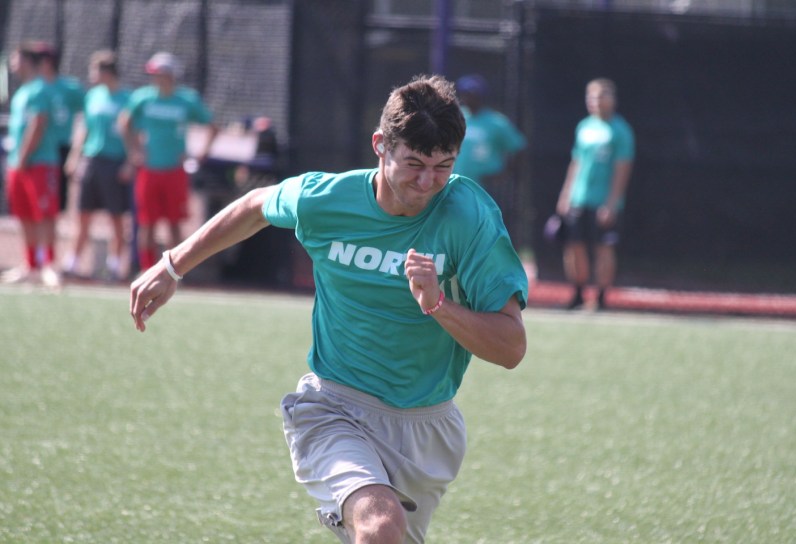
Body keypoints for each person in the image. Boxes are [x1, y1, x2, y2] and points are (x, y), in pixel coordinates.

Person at [129, 75, 528, 543]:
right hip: (335, 406)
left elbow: (511, 347)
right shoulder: (327, 199)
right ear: (380, 145)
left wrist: (438, 304)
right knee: (380, 526)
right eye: (414, 164)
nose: (427, 183)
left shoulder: (469, 216)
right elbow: (256, 205)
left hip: (428, 426)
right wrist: (172, 266)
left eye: (443, 167)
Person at [119, 51, 218, 273]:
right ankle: (147, 270)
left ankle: (174, 272)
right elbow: (125, 123)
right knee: (147, 223)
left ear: (170, 75)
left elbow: (212, 126)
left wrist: (200, 155)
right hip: (149, 170)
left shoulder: (186, 100)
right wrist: (134, 151)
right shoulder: (143, 98)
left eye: (159, 74)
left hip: (174, 171)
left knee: (174, 223)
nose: (155, 79)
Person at [556, 78, 635, 310]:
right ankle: (578, 294)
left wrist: (612, 202)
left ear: (613, 99)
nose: (596, 102)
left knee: (604, 248)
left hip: (604, 200)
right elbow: (576, 163)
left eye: (601, 96)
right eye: (591, 97)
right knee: (574, 245)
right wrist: (566, 195)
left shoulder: (620, 130)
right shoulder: (584, 126)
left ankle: (600, 298)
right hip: (579, 198)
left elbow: (623, 169)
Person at [62, 50, 132, 280]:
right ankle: (72, 263)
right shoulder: (93, 96)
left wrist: (130, 162)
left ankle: (114, 266)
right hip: (92, 159)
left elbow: (134, 134)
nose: (92, 75)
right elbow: (85, 127)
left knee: (116, 217)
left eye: (96, 70)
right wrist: (75, 156)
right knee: (82, 214)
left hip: (115, 162)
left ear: (108, 72)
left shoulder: (127, 99)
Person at [1, 44, 62, 287]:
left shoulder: (40, 90)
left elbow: (38, 124)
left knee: (44, 214)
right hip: (19, 163)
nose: (13, 64)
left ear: (27, 61)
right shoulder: (22, 91)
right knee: (24, 213)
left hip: (39, 163)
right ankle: (30, 265)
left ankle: (49, 265)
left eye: (17, 59)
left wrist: (24, 157)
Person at [452, 74, 526, 221]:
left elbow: (519, 147)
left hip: (487, 186)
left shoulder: (496, 122)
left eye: (473, 94)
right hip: (458, 184)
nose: (469, 98)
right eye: (466, 94)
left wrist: (506, 172)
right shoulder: (457, 118)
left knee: (486, 222)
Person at [35, 42, 85, 212]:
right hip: (38, 147)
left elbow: (87, 114)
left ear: (47, 62)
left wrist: (77, 147)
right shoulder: (34, 88)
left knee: (58, 196)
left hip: (60, 146)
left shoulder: (70, 88)